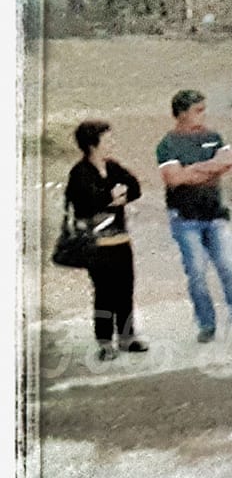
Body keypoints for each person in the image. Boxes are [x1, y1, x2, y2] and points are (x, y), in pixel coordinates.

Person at [155, 89, 232, 343]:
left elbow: (228, 161)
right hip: (185, 218)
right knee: (197, 273)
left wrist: (193, 170)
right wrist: (210, 168)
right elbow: (175, 178)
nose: (203, 115)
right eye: (197, 111)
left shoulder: (213, 136)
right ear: (181, 114)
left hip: (215, 214)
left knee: (228, 269)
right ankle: (206, 323)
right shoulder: (167, 144)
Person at [66, 121, 147, 359]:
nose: (111, 143)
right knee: (104, 292)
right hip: (97, 244)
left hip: (120, 239)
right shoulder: (80, 172)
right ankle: (104, 342)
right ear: (93, 144)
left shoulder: (112, 167)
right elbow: (85, 202)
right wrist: (110, 196)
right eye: (107, 139)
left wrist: (114, 198)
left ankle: (126, 337)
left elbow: (134, 187)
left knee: (125, 289)